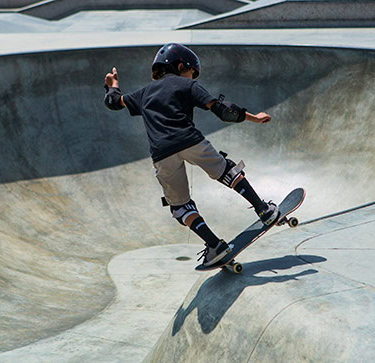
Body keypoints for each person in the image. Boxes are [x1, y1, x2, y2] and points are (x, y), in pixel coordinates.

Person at [103, 43, 279, 266]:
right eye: (191, 72)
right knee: (227, 170)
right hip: (190, 140)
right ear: (179, 66)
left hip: (161, 154)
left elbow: (113, 103)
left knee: (180, 207)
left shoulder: (143, 93)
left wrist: (113, 86)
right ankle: (263, 210)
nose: (192, 77)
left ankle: (215, 245)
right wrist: (254, 117)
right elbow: (223, 111)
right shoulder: (187, 85)